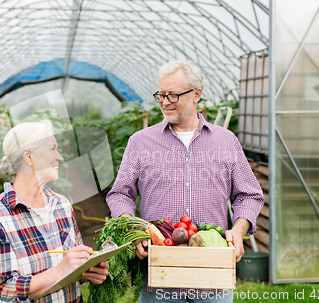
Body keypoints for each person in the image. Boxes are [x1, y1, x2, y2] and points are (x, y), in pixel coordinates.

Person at [106, 61, 264, 302]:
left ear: (196, 94)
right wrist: (135, 231)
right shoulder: (140, 142)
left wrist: (239, 229)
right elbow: (120, 195)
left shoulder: (225, 141)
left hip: (213, 279)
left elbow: (249, 195)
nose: (165, 102)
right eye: (161, 95)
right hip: (160, 279)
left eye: (174, 95)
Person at [0, 120, 109, 303]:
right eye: (53, 149)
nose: (60, 157)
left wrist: (86, 271)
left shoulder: (62, 205)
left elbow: (71, 267)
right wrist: (61, 270)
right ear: (29, 156)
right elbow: (3, 292)